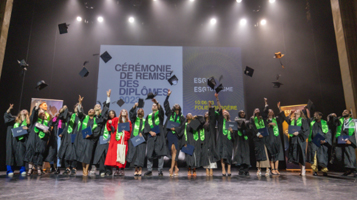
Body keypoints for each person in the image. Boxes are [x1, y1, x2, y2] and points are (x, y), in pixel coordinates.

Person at [76, 93, 109, 176]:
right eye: (89, 110)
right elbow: (80, 113)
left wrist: (92, 135)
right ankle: (84, 169)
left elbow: (97, 130)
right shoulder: (84, 117)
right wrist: (80, 103)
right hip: (83, 138)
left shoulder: (97, 119)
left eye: (92, 110)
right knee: (82, 154)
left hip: (92, 139)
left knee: (88, 155)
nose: (91, 111)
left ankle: (87, 169)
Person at [279, 106, 309, 176]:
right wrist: (282, 110)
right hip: (294, 140)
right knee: (297, 155)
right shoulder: (292, 120)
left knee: (301, 154)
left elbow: (306, 129)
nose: (295, 110)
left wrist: (298, 132)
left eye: (297, 110)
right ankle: (301, 169)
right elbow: (286, 119)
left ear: (300, 112)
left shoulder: (303, 120)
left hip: (300, 139)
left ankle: (303, 169)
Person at [24, 101, 52, 176]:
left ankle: (39, 169)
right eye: (41, 111)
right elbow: (34, 114)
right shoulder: (34, 120)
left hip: (41, 139)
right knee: (31, 152)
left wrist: (47, 132)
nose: (42, 113)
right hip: (33, 138)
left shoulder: (47, 122)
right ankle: (30, 169)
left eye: (43, 112)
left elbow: (49, 131)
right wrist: (37, 108)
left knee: (40, 153)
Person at [163, 89, 185, 176]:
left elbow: (182, 127)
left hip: (176, 135)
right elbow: (165, 105)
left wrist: (175, 129)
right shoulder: (170, 114)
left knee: (175, 151)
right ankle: (176, 167)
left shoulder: (182, 117)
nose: (176, 105)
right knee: (172, 152)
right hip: (169, 135)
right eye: (175, 104)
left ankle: (171, 169)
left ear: (179, 108)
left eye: (177, 104)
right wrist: (168, 95)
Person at [328, 110, 356, 177]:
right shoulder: (339, 120)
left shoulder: (354, 122)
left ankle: (353, 170)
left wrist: (351, 141)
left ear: (350, 114)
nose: (344, 112)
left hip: (349, 140)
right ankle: (347, 169)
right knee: (339, 156)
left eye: (346, 111)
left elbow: (355, 133)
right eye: (343, 111)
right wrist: (331, 116)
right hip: (340, 140)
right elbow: (331, 123)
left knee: (350, 156)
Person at [144, 98, 167, 176]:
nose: (154, 106)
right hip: (151, 136)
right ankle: (149, 170)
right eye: (153, 105)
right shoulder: (148, 116)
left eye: (155, 105)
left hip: (159, 136)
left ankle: (160, 171)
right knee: (150, 153)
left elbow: (162, 111)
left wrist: (156, 102)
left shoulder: (160, 115)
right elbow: (146, 125)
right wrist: (150, 131)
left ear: (157, 107)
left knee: (160, 154)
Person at [4, 104, 29, 176]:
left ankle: (22, 169)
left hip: (21, 140)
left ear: (27, 113)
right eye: (22, 110)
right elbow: (6, 116)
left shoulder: (27, 122)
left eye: (25, 110)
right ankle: (9, 170)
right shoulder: (14, 120)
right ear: (20, 112)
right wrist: (9, 109)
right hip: (12, 139)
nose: (24, 110)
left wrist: (27, 129)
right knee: (10, 154)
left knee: (21, 154)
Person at [105, 109, 132, 176]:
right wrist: (109, 122)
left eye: (125, 111)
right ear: (120, 112)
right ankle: (117, 169)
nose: (123, 112)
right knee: (117, 155)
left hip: (123, 140)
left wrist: (124, 135)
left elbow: (129, 132)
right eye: (122, 111)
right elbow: (109, 126)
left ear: (126, 113)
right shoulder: (116, 120)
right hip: (116, 140)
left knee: (123, 154)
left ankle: (122, 169)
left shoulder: (128, 122)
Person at [93, 91, 112, 177]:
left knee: (108, 153)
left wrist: (108, 97)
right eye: (97, 106)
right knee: (101, 155)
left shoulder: (104, 116)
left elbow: (106, 108)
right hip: (99, 138)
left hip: (107, 136)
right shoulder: (92, 117)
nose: (99, 107)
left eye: (100, 107)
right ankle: (102, 170)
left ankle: (109, 170)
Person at [306, 111, 331, 176]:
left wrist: (325, 140)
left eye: (317, 115)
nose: (315, 116)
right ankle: (314, 170)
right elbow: (309, 132)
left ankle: (324, 170)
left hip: (322, 142)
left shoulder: (325, 123)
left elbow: (328, 133)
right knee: (314, 156)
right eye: (314, 115)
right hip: (314, 142)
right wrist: (310, 140)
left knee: (323, 156)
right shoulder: (312, 123)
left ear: (320, 116)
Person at [214, 93, 233, 176]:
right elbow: (220, 107)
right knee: (222, 154)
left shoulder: (231, 123)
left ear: (228, 114)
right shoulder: (221, 121)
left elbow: (234, 134)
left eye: (227, 112)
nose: (225, 112)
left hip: (228, 140)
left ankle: (229, 169)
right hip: (221, 139)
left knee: (228, 154)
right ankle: (223, 169)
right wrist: (217, 98)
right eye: (224, 112)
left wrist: (232, 131)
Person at [58, 104, 80, 175]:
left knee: (74, 152)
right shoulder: (70, 115)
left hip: (76, 135)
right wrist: (64, 109)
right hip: (68, 134)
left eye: (78, 107)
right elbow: (62, 122)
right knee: (65, 151)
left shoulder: (83, 117)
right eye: (76, 107)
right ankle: (67, 168)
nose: (76, 108)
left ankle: (74, 168)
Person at [250, 99, 271, 177]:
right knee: (258, 153)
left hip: (264, 137)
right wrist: (258, 134)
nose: (257, 110)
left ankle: (267, 169)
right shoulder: (252, 118)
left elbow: (266, 111)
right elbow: (252, 127)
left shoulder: (263, 118)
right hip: (257, 138)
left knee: (265, 152)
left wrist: (266, 103)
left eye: (258, 109)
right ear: (254, 112)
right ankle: (259, 169)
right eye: (255, 110)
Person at [265, 100, 284, 175]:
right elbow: (264, 128)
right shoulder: (265, 120)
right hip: (270, 138)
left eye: (271, 111)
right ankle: (272, 169)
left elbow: (282, 117)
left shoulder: (276, 119)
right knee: (271, 154)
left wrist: (279, 108)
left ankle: (276, 169)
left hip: (277, 138)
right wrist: (269, 124)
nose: (270, 112)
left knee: (277, 153)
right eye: (269, 111)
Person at [127, 102, 146, 176]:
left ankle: (140, 168)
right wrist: (135, 106)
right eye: (139, 111)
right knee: (134, 154)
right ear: (137, 113)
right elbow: (131, 113)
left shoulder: (146, 121)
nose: (140, 112)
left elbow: (147, 129)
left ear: (144, 113)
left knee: (141, 154)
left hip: (142, 139)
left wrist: (143, 133)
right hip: (134, 138)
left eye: (142, 111)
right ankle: (135, 169)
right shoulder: (134, 120)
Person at [201, 101, 219, 176]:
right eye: (206, 113)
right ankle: (206, 169)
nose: (207, 114)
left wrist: (210, 106)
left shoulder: (212, 122)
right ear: (204, 116)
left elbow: (212, 114)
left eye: (208, 113)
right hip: (205, 139)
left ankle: (211, 169)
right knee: (205, 154)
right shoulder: (202, 123)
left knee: (211, 153)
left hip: (211, 138)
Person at [232, 110, 251, 176]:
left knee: (245, 154)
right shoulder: (236, 121)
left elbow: (249, 130)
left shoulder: (247, 121)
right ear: (239, 114)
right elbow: (235, 129)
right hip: (239, 139)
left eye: (243, 112)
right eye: (241, 113)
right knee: (239, 154)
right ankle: (241, 169)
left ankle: (246, 170)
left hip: (245, 139)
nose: (242, 113)